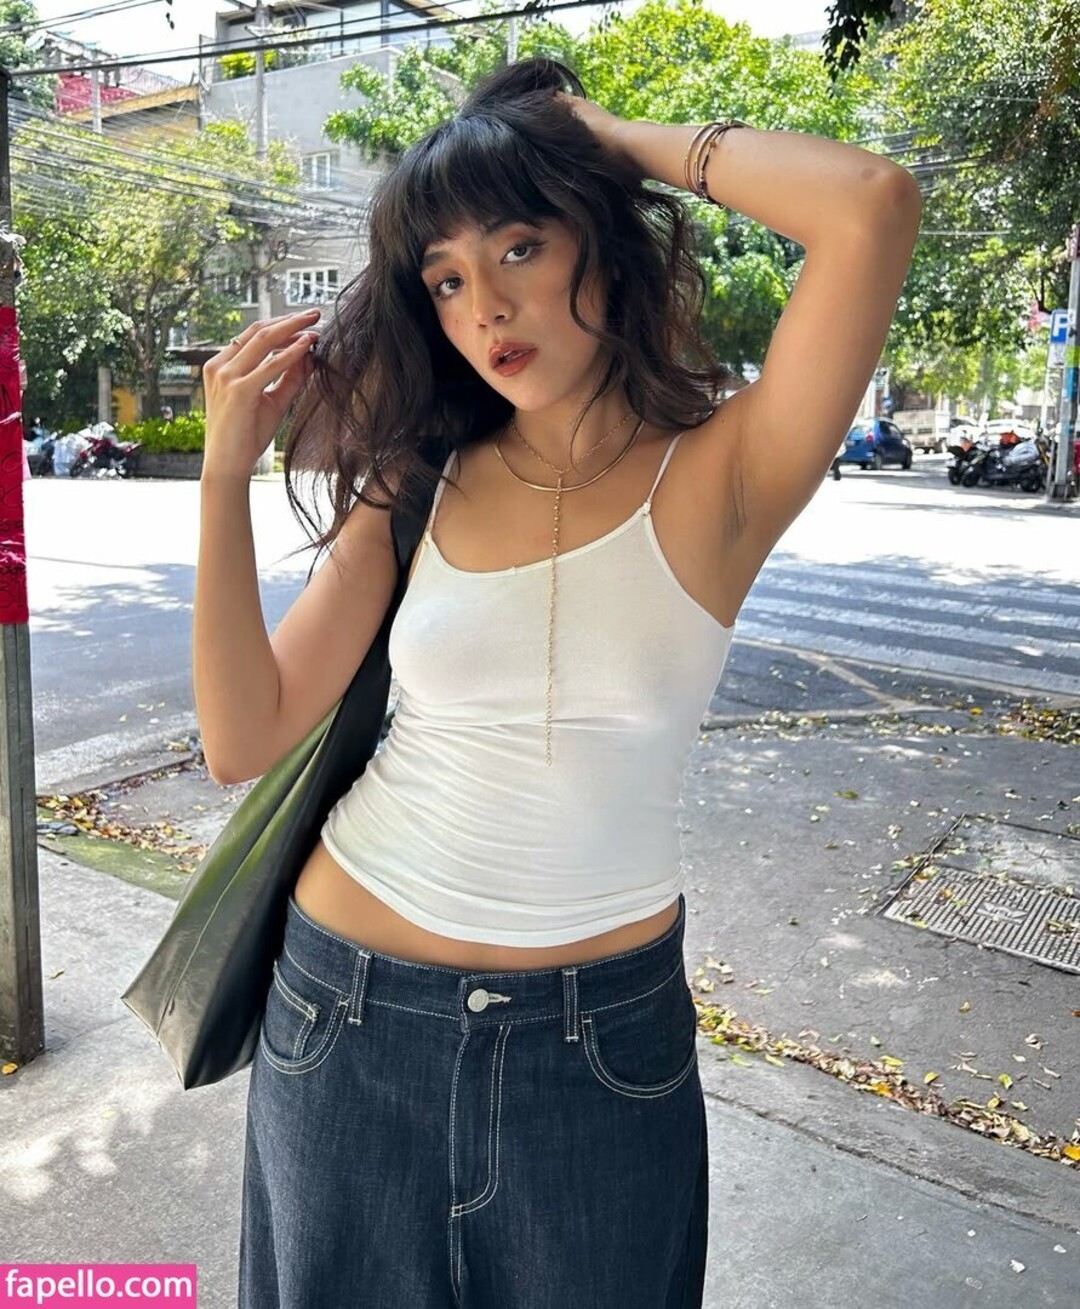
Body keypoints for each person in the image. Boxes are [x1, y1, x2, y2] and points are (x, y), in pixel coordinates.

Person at [195, 58, 920, 1309]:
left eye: (521, 246)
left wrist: (605, 135)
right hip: (346, 1015)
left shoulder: (725, 473)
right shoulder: (417, 480)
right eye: (446, 279)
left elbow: (869, 203)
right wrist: (222, 479)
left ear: (601, 238)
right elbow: (242, 735)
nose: (486, 307)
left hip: (597, 1054)